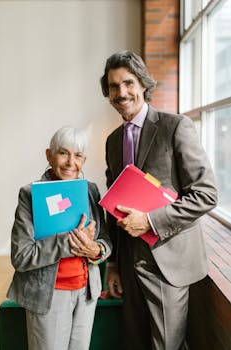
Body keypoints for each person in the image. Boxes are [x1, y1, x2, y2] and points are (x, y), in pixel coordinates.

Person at [100, 50, 217, 350]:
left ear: (142, 84)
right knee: (135, 343)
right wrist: (113, 264)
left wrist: (150, 220)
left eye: (128, 83)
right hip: (128, 261)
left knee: (166, 345)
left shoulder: (174, 126)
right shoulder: (113, 141)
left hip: (168, 262)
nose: (121, 93)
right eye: (113, 86)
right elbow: (114, 205)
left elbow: (206, 194)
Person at [7, 126, 112, 350]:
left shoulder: (90, 191)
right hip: (49, 295)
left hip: (86, 294)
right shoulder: (31, 195)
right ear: (49, 155)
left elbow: (105, 241)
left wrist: (95, 250)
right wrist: (70, 242)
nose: (70, 162)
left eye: (78, 155)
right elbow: (21, 256)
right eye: (63, 153)